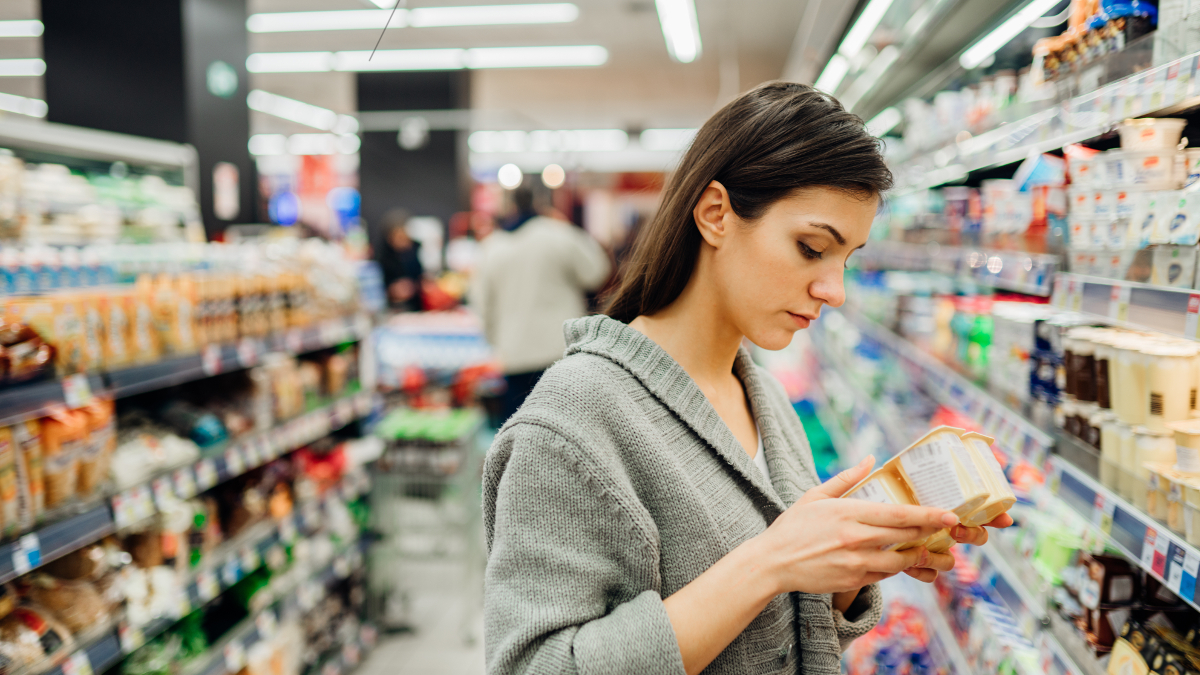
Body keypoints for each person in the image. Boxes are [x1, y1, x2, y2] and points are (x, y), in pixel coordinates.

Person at [482, 82, 1013, 675]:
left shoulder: (763, 397)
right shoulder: (571, 423)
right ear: (716, 215)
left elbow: (774, 638)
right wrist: (771, 562)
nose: (833, 290)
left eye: (847, 259)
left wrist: (852, 563)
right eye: (812, 248)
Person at [470, 188, 610, 423]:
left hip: (514, 355)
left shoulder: (491, 248)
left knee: (519, 435)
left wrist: (496, 342)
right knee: (568, 432)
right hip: (561, 351)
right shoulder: (559, 235)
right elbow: (597, 271)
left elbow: (482, 305)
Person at [377, 209, 424, 312]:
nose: (402, 241)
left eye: (404, 236)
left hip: (416, 307)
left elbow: (422, 279)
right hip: (391, 309)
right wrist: (391, 291)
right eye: (398, 237)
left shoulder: (417, 252)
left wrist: (416, 286)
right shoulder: (382, 258)